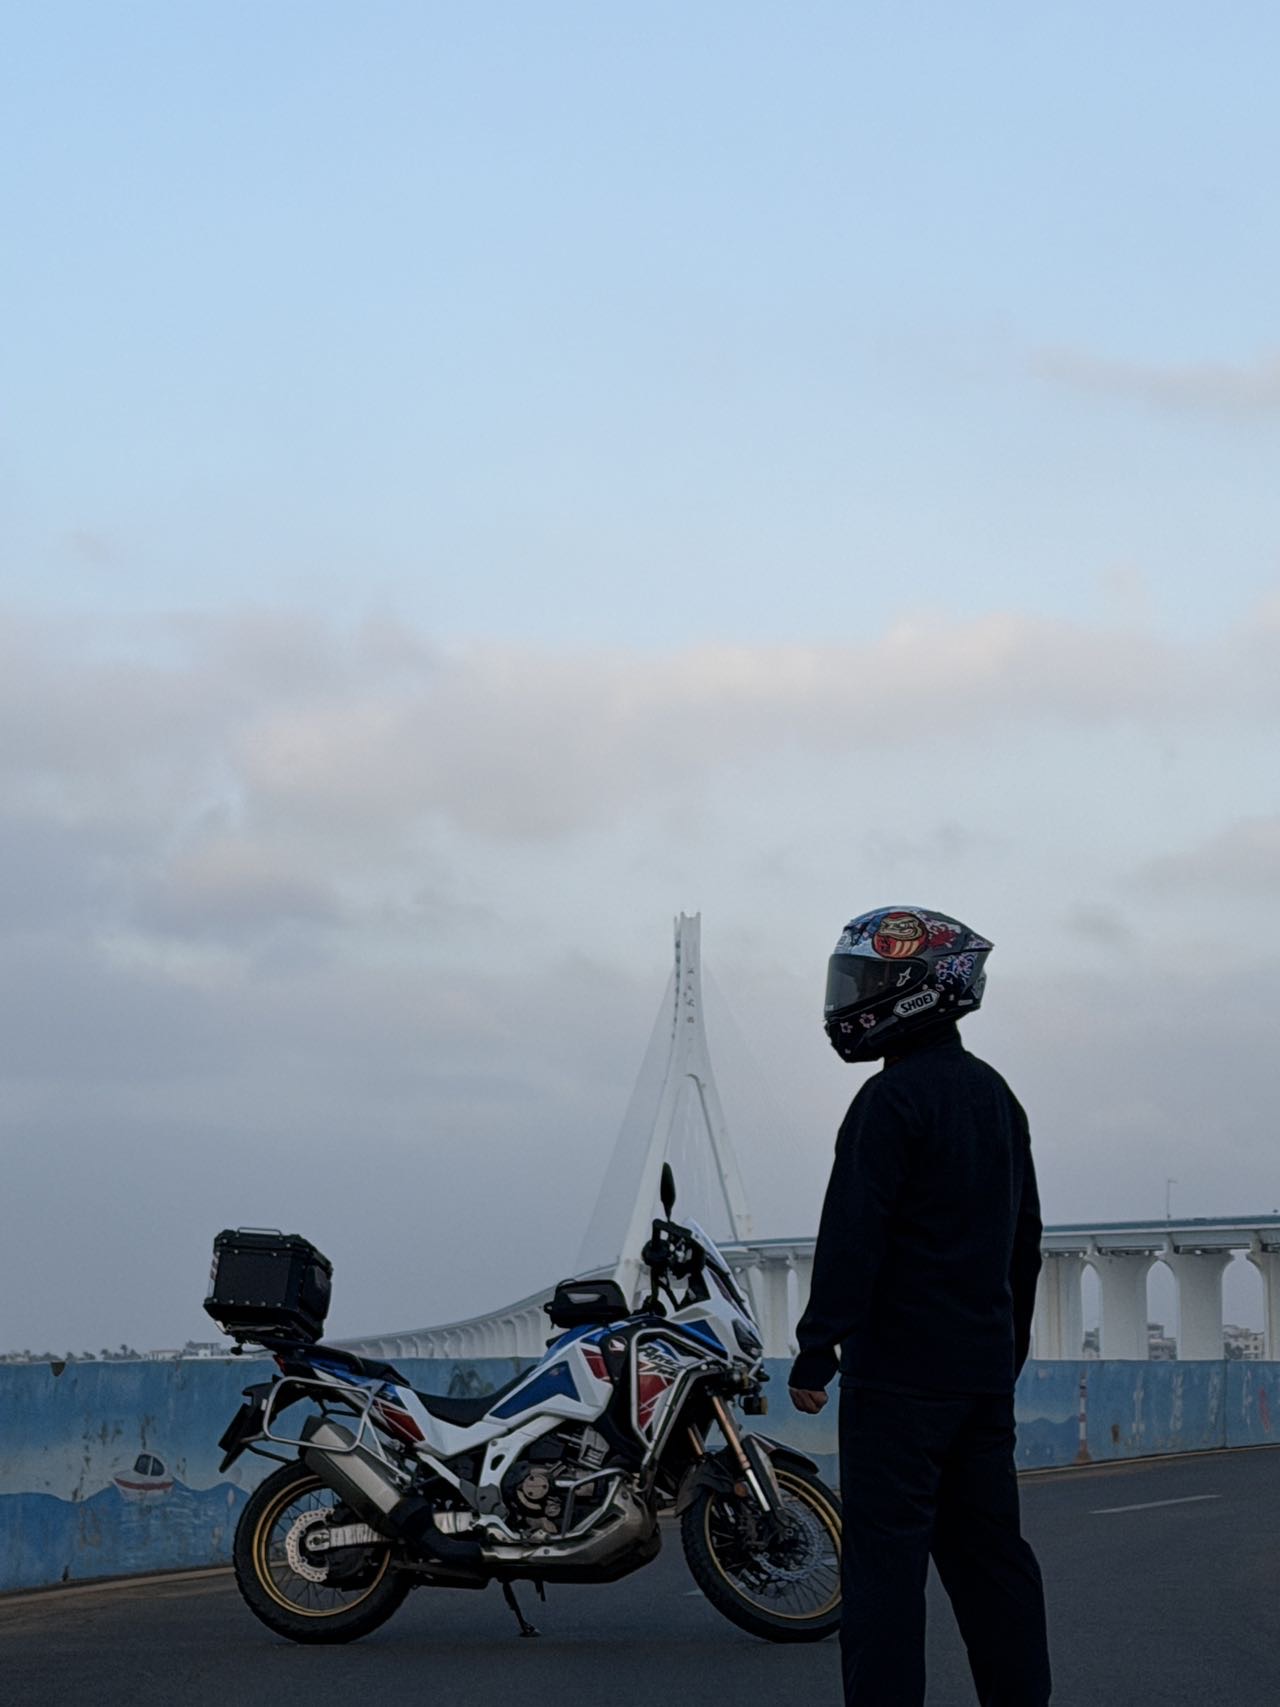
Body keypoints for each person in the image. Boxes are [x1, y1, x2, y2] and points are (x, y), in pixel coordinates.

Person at [788, 907, 1051, 1707]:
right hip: (979, 1379)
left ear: (920, 988)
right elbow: (1025, 1241)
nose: (852, 997)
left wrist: (817, 1346)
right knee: (992, 1563)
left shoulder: (888, 1101)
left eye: (868, 980)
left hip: (897, 1380)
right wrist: (1003, 1354)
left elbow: (854, 1234)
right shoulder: (997, 1097)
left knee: (885, 1574)